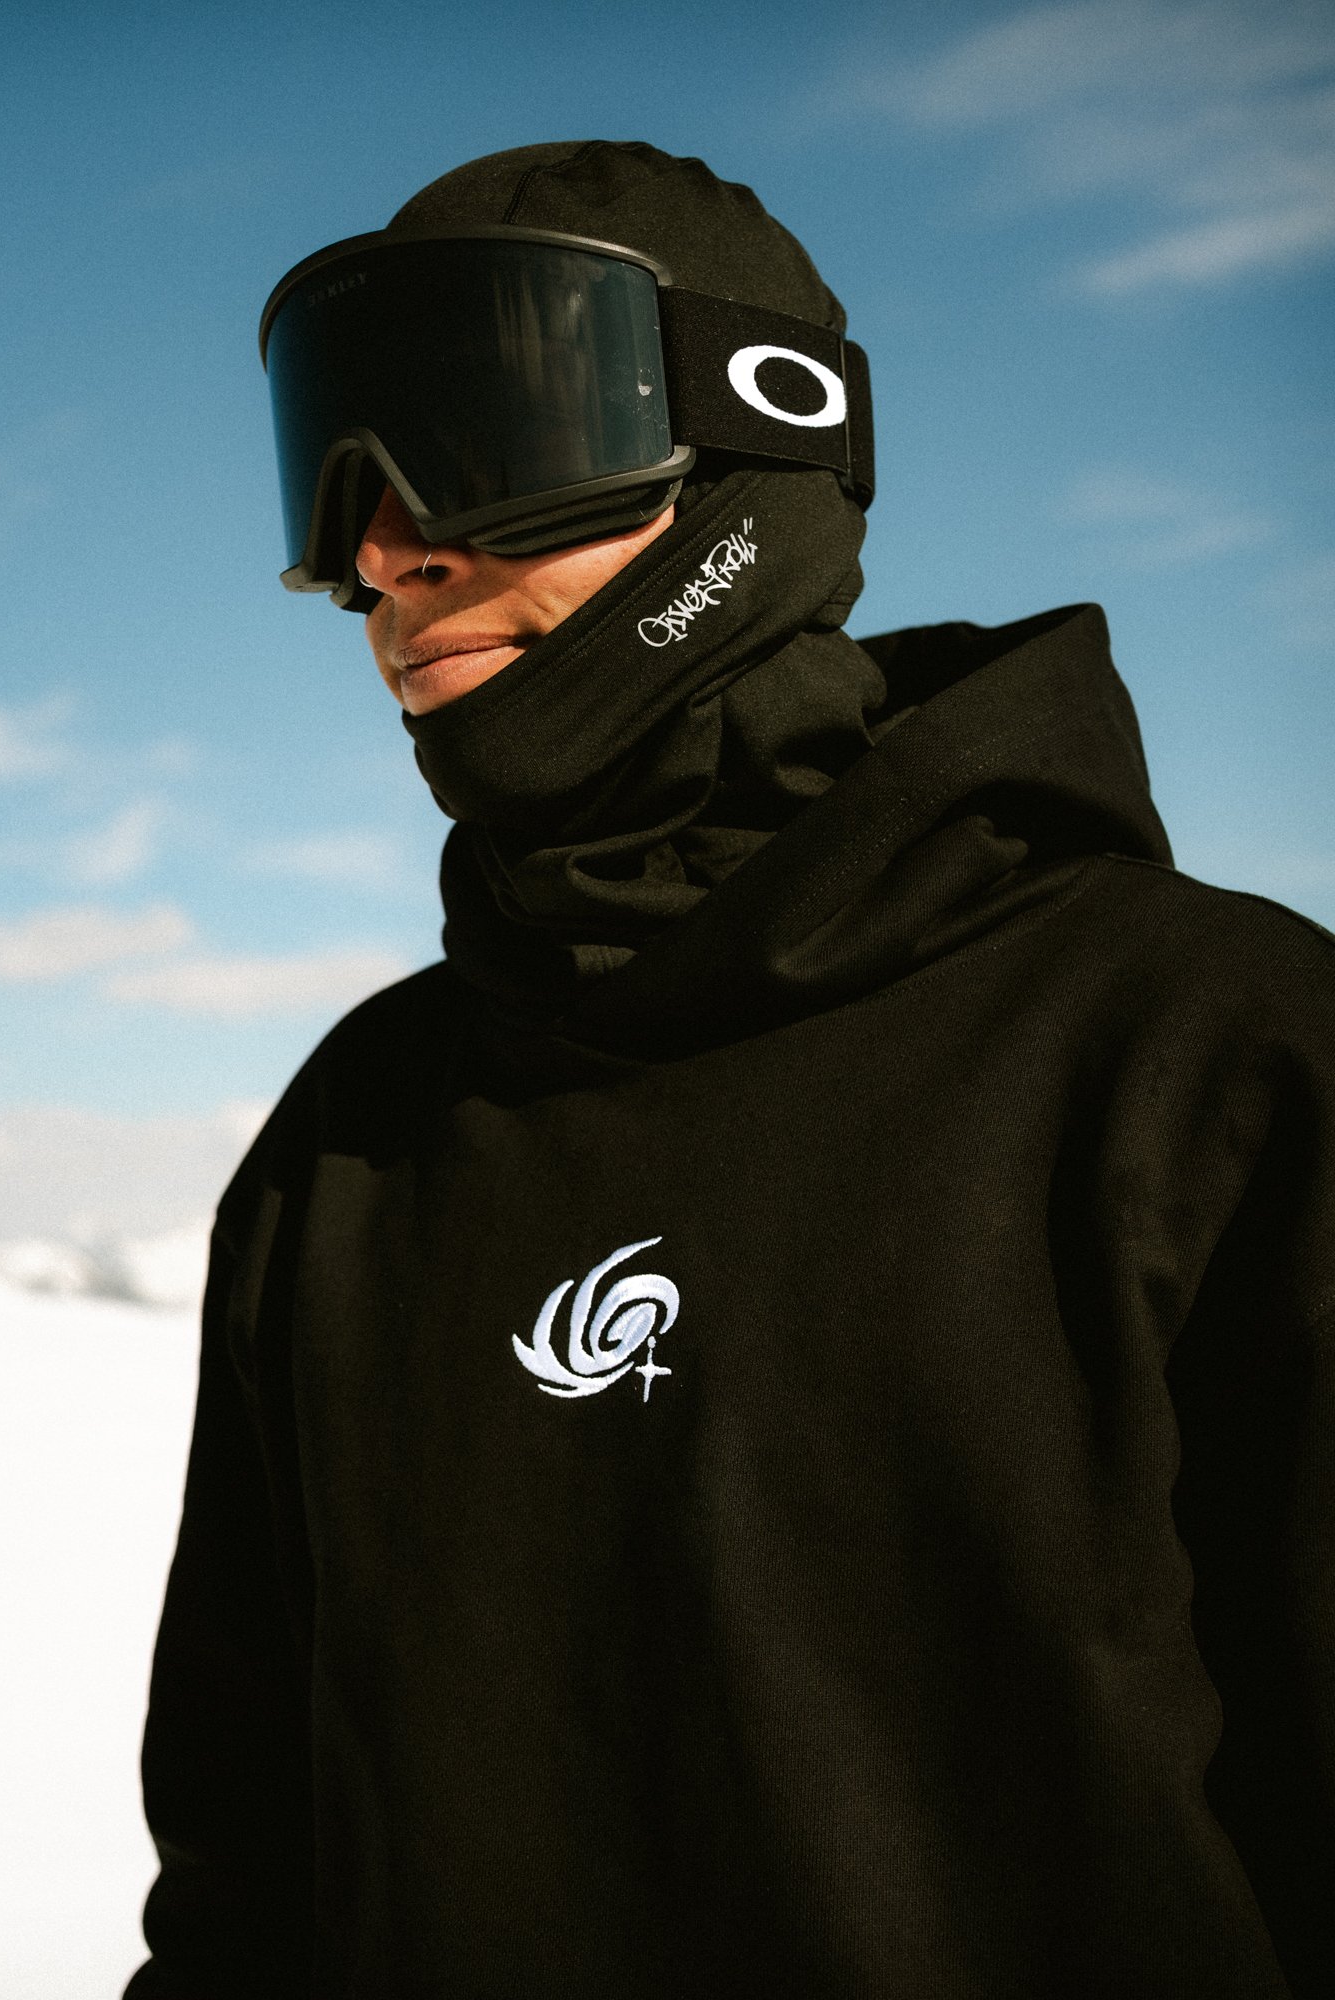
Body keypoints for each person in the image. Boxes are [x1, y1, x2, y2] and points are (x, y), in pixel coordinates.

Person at [125, 142, 1334, 1999]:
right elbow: (244, 1877)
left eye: (489, 433)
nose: (387, 546)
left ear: (757, 444)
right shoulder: (355, 1135)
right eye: (335, 467)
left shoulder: (1210, 1055)